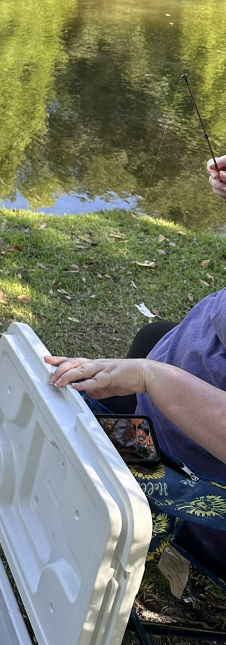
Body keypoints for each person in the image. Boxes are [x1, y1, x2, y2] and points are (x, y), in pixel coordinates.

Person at [45, 160, 226, 577]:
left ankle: (128, 497)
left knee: (93, 438)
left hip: (190, 480)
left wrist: (152, 376)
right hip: (165, 410)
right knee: (152, 336)